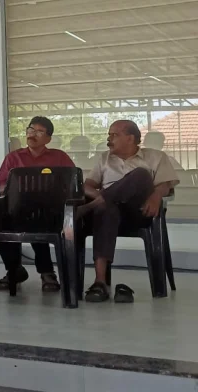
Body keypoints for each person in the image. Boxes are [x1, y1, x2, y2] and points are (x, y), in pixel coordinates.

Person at [79, 120, 179, 303]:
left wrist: (156, 195)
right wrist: (102, 196)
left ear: (130, 138)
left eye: (114, 135)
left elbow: (166, 185)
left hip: (140, 212)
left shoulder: (156, 156)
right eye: (109, 135)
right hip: (109, 214)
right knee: (106, 208)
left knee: (141, 174)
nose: (109, 139)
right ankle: (100, 282)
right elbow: (87, 186)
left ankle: (92, 206)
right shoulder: (104, 158)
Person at [0, 116, 74, 293]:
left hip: (52, 212)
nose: (32, 134)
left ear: (48, 138)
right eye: (30, 130)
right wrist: (7, 189)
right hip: (18, 210)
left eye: (39, 131)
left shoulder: (59, 157)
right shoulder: (14, 157)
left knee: (37, 216)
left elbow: (72, 184)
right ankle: (15, 270)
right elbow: (2, 185)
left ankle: (44, 272)